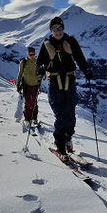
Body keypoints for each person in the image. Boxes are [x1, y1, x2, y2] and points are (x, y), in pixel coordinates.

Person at [35, 16, 93, 160]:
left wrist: (86, 70)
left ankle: (68, 138)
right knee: (60, 114)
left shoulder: (71, 41)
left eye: (60, 29)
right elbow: (40, 62)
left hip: (69, 80)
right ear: (51, 31)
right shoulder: (46, 45)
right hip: (54, 82)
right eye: (55, 29)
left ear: (63, 29)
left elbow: (79, 57)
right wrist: (40, 69)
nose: (58, 32)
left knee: (71, 114)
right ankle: (60, 145)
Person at [16, 45, 41, 130]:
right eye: (30, 54)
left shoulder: (37, 62)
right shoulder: (23, 62)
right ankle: (27, 118)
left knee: (34, 102)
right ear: (27, 54)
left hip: (35, 85)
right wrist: (18, 85)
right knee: (28, 102)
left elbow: (40, 73)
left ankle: (34, 118)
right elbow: (20, 74)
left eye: (33, 54)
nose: (31, 56)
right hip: (26, 85)